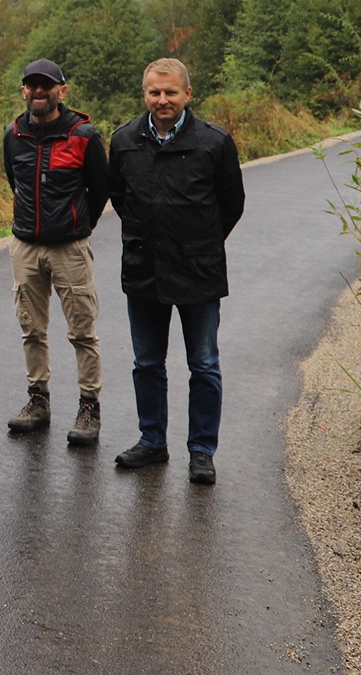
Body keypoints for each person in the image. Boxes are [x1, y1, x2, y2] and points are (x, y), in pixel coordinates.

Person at [105, 57, 245, 486]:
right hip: (143, 269)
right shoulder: (124, 140)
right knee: (147, 363)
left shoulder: (214, 142)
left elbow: (231, 204)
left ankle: (202, 451)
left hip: (198, 273)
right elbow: (120, 198)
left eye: (170, 92)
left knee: (203, 365)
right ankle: (152, 441)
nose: (162, 100)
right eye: (154, 92)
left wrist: (197, 243)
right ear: (145, 94)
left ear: (187, 93)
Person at [0, 58, 109, 445]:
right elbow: (14, 182)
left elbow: (100, 189)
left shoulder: (83, 136)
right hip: (25, 246)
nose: (38, 91)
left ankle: (89, 407)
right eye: (32, 85)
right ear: (23, 90)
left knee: (82, 331)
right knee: (31, 329)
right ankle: (38, 401)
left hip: (69, 248)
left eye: (46, 85)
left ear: (62, 91)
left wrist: (78, 227)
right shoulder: (13, 134)